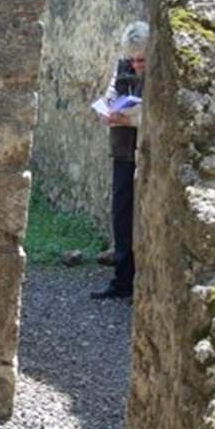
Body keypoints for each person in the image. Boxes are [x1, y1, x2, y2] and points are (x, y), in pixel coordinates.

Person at [91, 20, 149, 301]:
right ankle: (122, 281)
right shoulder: (123, 65)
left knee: (147, 216)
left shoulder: (162, 70)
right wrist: (107, 112)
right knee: (122, 214)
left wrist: (132, 116)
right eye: (133, 60)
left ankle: (145, 284)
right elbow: (109, 96)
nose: (136, 66)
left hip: (150, 154)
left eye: (142, 60)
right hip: (125, 151)